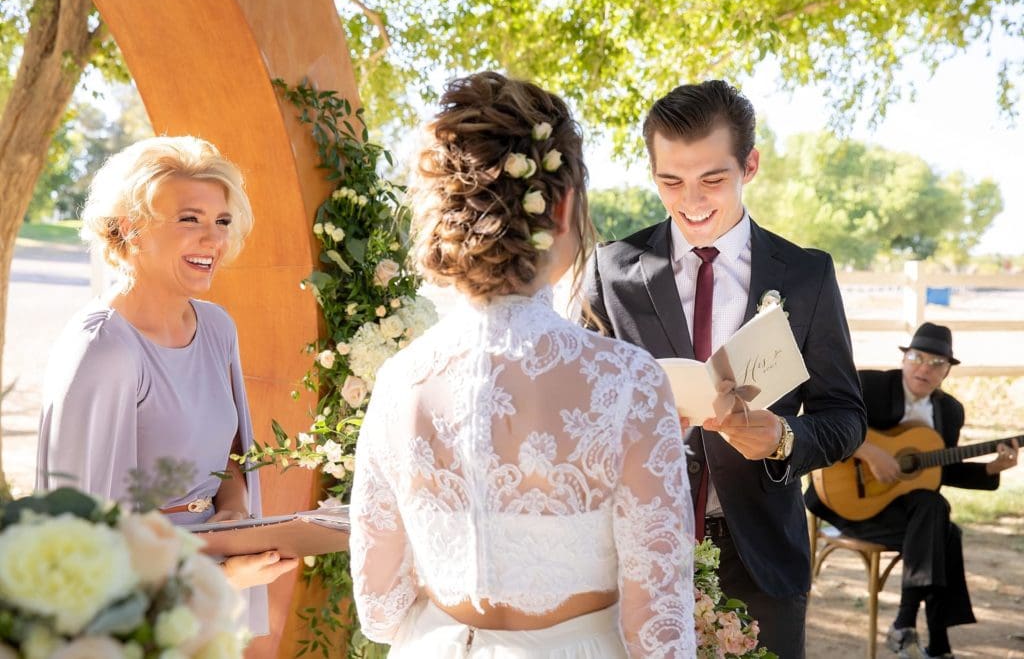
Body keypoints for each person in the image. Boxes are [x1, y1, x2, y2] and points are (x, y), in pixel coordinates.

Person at [349, 72, 696, 658]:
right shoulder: (630, 383)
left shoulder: (399, 381)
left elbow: (380, 609)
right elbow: (658, 631)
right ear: (561, 208)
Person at [582, 79, 867, 658]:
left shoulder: (807, 276)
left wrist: (785, 437)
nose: (692, 200)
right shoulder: (611, 272)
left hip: (762, 555)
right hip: (636, 554)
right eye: (671, 181)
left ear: (750, 165)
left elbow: (845, 417)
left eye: (712, 178)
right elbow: (578, 413)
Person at [35, 136, 297, 627]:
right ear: (130, 228)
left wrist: (236, 513)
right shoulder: (104, 348)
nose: (214, 240)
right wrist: (218, 580)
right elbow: (82, 536)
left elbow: (231, 455)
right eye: (189, 219)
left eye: (221, 222)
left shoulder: (218, 327)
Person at [805, 322, 1019, 659]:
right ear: (904, 358)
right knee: (943, 529)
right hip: (848, 503)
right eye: (918, 357)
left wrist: (991, 469)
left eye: (937, 364)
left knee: (935, 516)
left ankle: (910, 628)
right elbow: (823, 422)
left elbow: (935, 469)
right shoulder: (869, 386)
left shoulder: (949, 411)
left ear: (947, 372)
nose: (925, 368)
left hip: (906, 514)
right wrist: (869, 452)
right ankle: (933, 639)